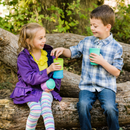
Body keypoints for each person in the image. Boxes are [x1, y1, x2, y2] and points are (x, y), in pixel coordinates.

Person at [51, 5, 123, 130]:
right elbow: (73, 52)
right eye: (91, 25)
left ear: (107, 27)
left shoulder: (116, 47)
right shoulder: (87, 41)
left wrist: (102, 61)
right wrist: (63, 50)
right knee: (82, 105)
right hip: (87, 86)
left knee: (110, 108)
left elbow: (116, 72)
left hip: (106, 86)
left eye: (95, 26)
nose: (92, 28)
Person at [10, 23, 62, 130]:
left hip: (46, 90)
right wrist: (48, 70)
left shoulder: (48, 53)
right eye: (40, 38)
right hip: (29, 90)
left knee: (47, 109)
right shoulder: (23, 58)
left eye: (44, 37)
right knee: (36, 110)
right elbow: (29, 78)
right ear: (28, 41)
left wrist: (54, 86)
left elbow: (57, 74)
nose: (44, 40)